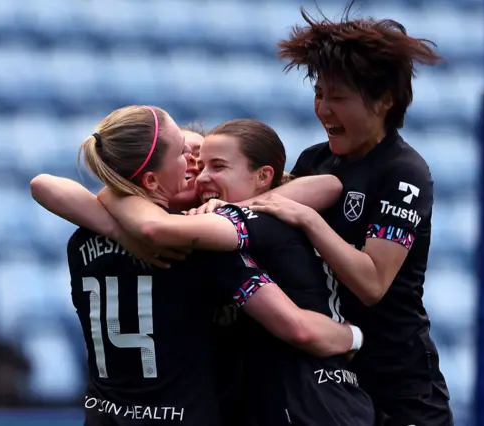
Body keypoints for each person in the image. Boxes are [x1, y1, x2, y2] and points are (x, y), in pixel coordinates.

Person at [34, 105, 361, 426]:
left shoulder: (81, 238)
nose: (194, 164)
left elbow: (46, 185)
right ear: (151, 179)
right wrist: (354, 336)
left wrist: (118, 231)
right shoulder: (198, 246)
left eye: (206, 161)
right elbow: (297, 327)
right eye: (184, 154)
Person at [237, 7, 452, 426]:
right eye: (319, 94)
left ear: (384, 101)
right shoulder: (314, 161)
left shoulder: (403, 172)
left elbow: (372, 283)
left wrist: (309, 220)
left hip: (401, 383)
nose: (324, 110)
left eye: (338, 98)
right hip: (333, 377)